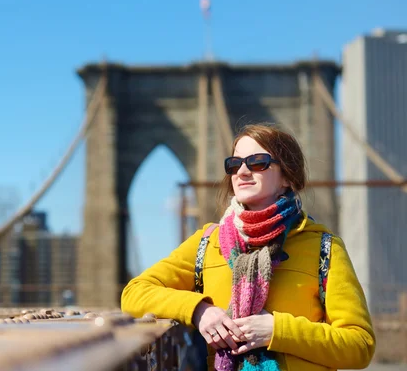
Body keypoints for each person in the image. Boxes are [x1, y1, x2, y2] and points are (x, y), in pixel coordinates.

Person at [121, 123, 375, 371]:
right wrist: (199, 310)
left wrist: (277, 330)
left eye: (257, 162)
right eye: (234, 164)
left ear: (287, 176)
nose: (242, 172)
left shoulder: (323, 248)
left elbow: (359, 345)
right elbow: (134, 293)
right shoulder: (207, 243)